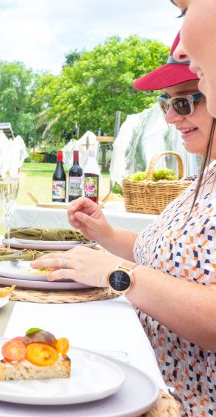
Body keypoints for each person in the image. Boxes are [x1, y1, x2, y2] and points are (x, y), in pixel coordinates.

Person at [31, 33, 215, 416]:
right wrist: (106, 234)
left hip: (187, 403)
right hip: (146, 376)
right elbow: (169, 255)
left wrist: (118, 274)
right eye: (166, 103)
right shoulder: (207, 173)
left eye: (183, 102)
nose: (170, 117)